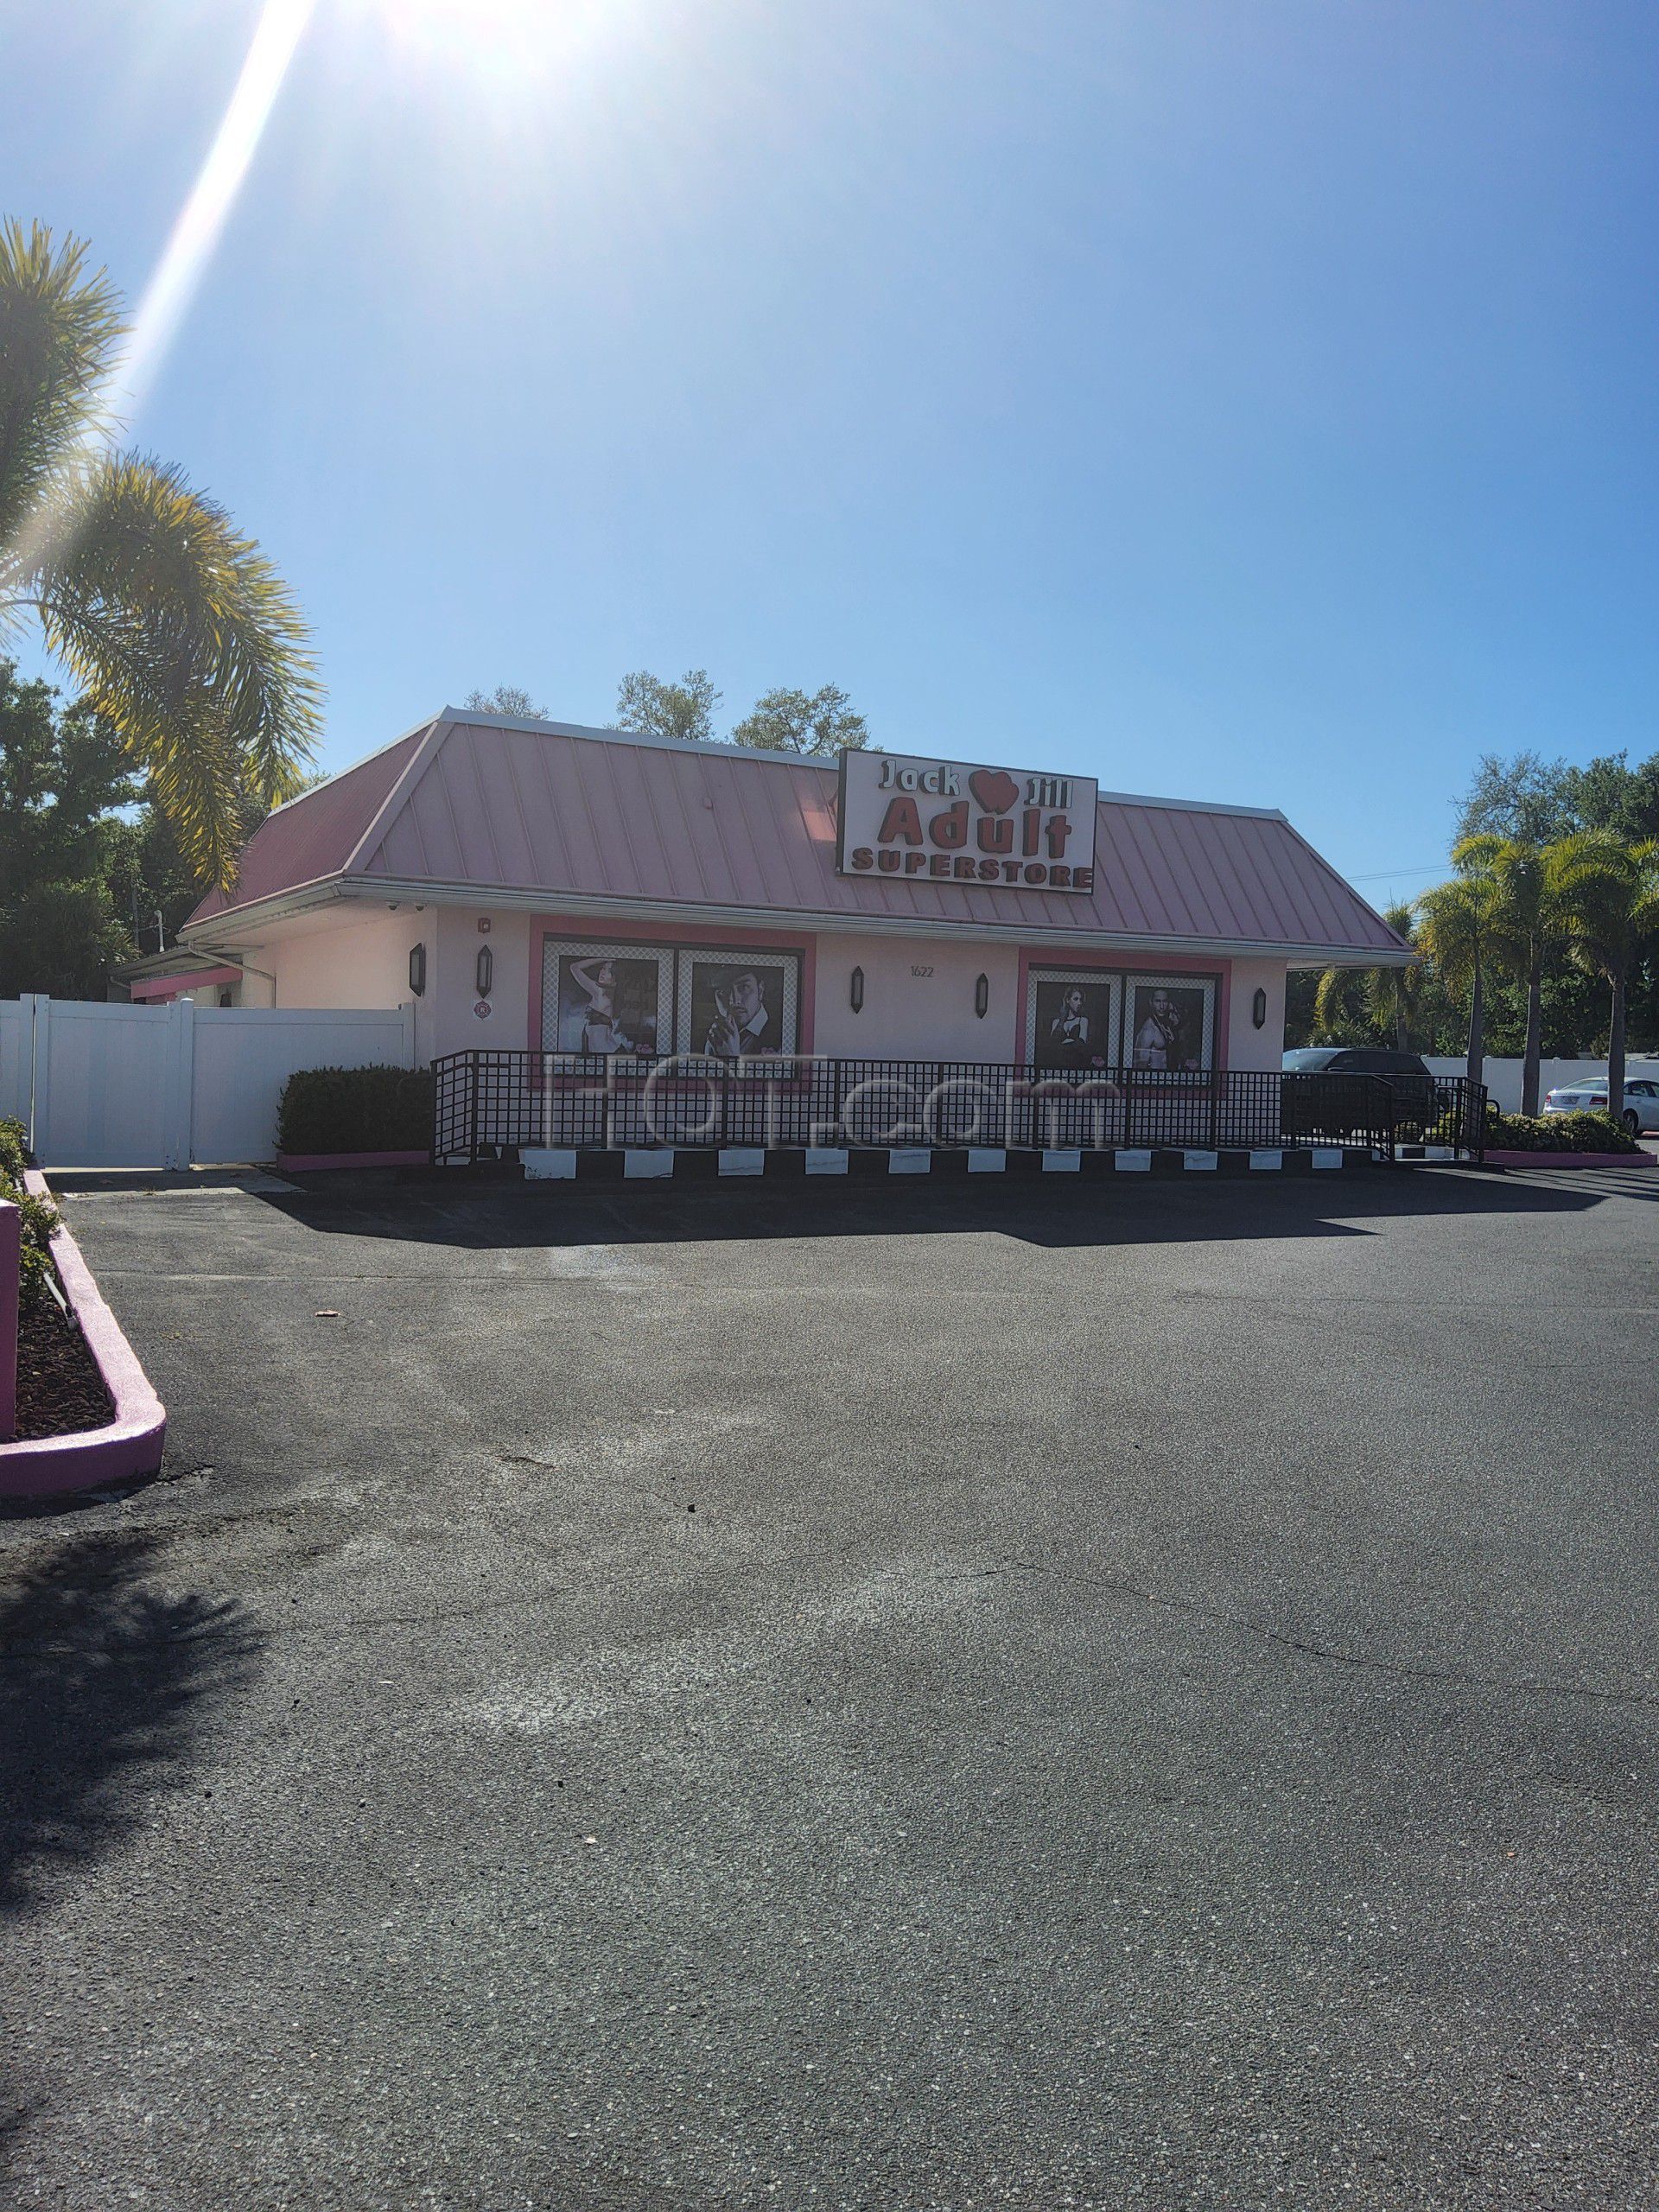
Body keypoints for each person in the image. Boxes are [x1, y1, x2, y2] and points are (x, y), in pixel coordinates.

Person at [703, 967, 779, 1057]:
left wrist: (730, 1059)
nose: (734, 1000)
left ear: (760, 990)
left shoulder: (783, 1036)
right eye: (723, 991)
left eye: (744, 987)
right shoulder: (704, 1037)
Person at [567, 957, 632, 1054]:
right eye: (603, 968)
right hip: (606, 1053)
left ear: (615, 979)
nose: (603, 972)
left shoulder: (599, 992)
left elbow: (574, 967)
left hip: (608, 1053)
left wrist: (601, 958)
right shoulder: (609, 995)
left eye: (609, 971)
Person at [1132, 988, 1197, 1071]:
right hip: (1153, 1080)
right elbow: (1140, 1064)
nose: (1162, 1006)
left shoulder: (1165, 1024)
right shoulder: (1148, 1029)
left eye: (1165, 1001)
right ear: (1151, 1002)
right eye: (1158, 1001)